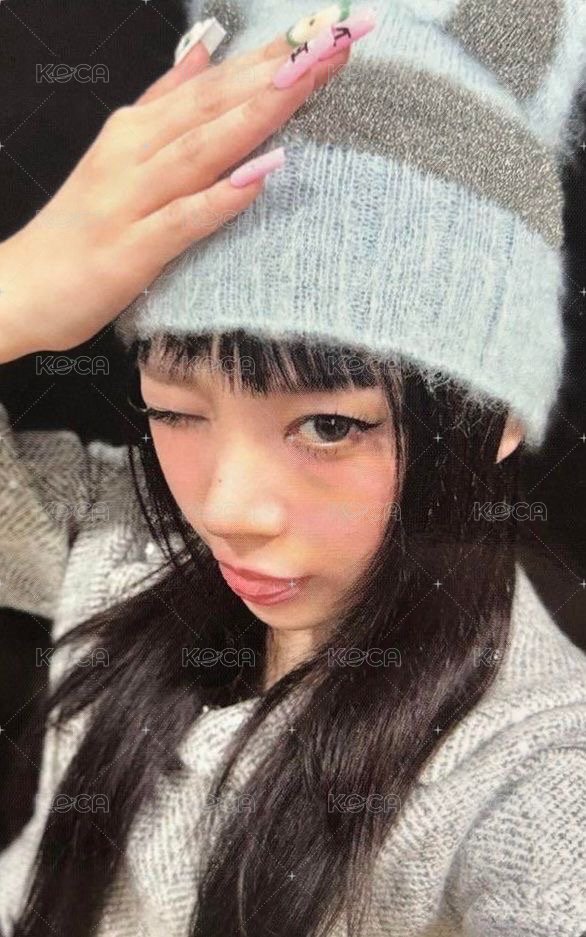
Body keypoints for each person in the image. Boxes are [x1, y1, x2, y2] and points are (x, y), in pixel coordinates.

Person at [0, 2, 585, 936]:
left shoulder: (535, 777)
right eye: (175, 410)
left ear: (496, 411)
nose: (227, 510)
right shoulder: (109, 537)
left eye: (328, 425)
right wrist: (14, 291)